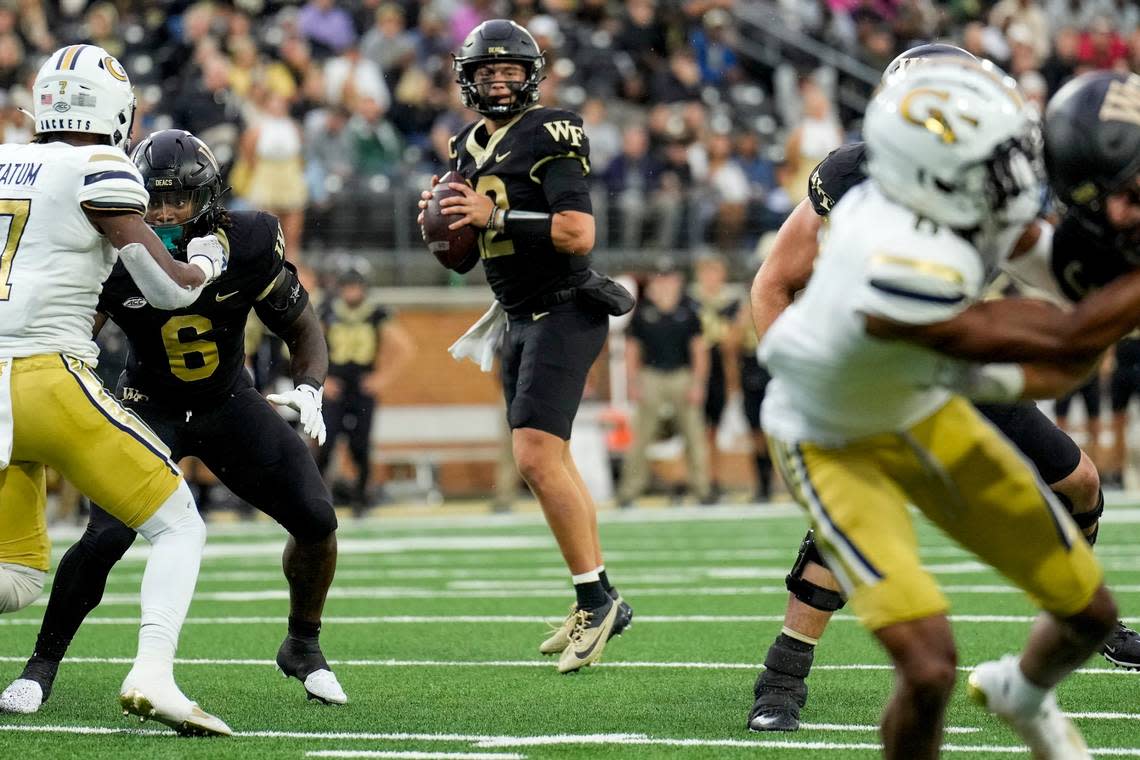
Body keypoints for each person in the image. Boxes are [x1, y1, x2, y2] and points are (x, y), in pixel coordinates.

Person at [747, 53, 1140, 735]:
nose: (1015, 161)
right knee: (927, 661)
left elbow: (1066, 274)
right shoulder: (890, 252)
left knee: (1084, 548)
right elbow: (1061, 340)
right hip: (841, 416)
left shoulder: (960, 188)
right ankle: (784, 670)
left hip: (930, 382)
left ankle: (1029, 681)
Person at [0, 128, 345, 716]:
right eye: (151, 199)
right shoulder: (114, 246)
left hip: (229, 401)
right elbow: (75, 329)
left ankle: (303, 644)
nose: (161, 213)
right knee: (106, 536)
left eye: (176, 201)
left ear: (205, 197)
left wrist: (309, 384)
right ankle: (42, 662)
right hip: (147, 403)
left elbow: (302, 325)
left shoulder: (250, 238)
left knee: (316, 519)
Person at [0, 47, 229, 734]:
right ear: (116, 112)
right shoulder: (99, 166)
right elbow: (166, 289)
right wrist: (206, 261)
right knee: (179, 525)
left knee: (15, 576)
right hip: (46, 379)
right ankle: (153, 673)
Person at [417, 19, 633, 673]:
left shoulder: (551, 131)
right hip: (516, 314)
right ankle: (600, 597)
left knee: (536, 457)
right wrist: (441, 221)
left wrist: (496, 216)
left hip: (564, 309)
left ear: (533, 76)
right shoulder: (464, 146)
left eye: (512, 70)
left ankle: (594, 601)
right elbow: (461, 258)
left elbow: (577, 232)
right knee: (550, 460)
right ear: (468, 80)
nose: (501, 81)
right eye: (489, 72)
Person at [319, 267, 415, 514]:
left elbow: (405, 348)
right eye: (348, 287)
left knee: (359, 446)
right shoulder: (328, 312)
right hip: (335, 388)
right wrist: (322, 380)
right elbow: (305, 344)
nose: (352, 293)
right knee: (325, 444)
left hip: (361, 389)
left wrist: (382, 379)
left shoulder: (376, 314)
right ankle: (317, 499)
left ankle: (361, 499)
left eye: (355, 287)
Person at [616, 258, 711, 506]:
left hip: (681, 375)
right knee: (640, 437)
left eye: (671, 279)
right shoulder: (643, 311)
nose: (667, 284)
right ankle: (629, 492)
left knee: (694, 434)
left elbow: (699, 350)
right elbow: (632, 350)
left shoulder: (689, 310)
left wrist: (698, 383)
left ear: (678, 281)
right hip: (651, 376)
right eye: (663, 279)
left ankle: (702, 489)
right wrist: (633, 382)